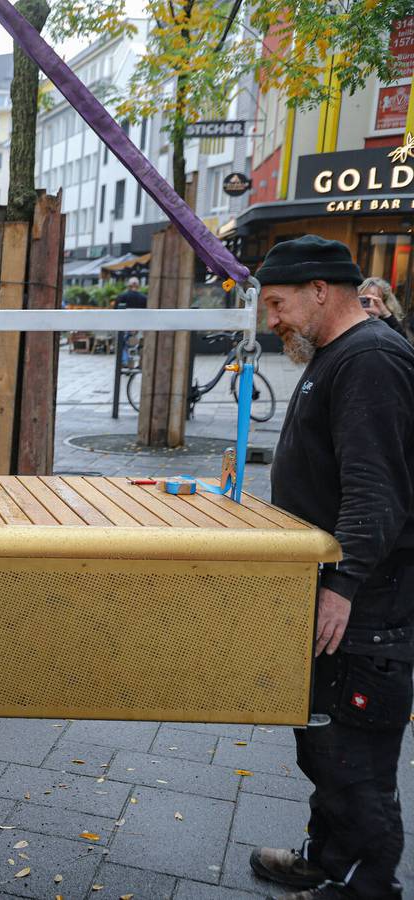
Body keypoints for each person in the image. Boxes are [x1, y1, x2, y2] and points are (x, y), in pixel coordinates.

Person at [248, 235, 414, 900]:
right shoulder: (338, 354)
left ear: (322, 290)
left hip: (367, 606)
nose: (273, 320)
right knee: (326, 742)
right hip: (340, 594)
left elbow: (377, 491)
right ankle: (327, 859)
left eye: (279, 303)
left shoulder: (370, 359)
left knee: (355, 758)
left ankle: (368, 886)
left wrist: (341, 587)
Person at [358, 276, 410, 343]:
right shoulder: (351, 317)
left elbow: (403, 343)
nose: (370, 304)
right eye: (364, 300)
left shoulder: (388, 322)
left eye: (374, 299)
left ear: (384, 302)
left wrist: (386, 314)